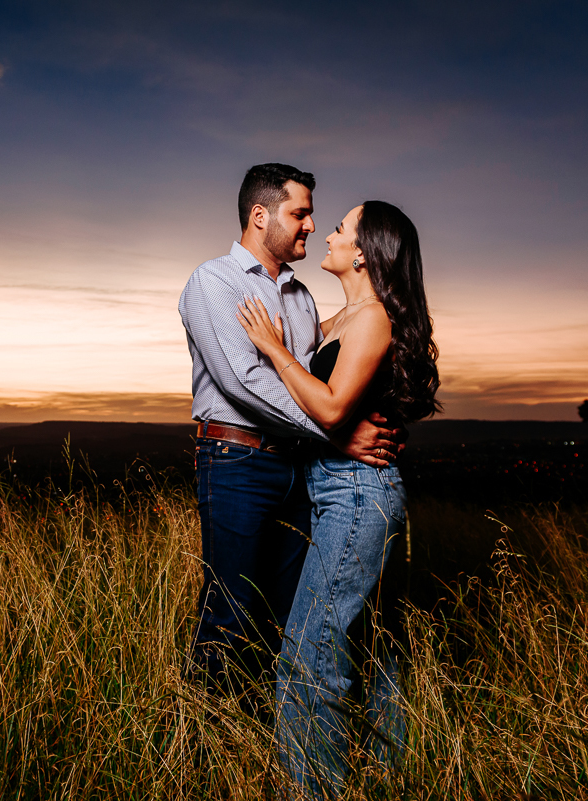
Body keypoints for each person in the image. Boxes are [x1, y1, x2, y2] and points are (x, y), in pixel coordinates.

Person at [178, 164, 405, 707]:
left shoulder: (301, 297)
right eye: (299, 214)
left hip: (295, 469)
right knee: (231, 607)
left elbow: (310, 378)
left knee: (283, 612)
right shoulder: (214, 282)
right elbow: (244, 381)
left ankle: (258, 738)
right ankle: (201, 741)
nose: (310, 226)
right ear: (261, 216)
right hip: (236, 460)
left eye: (312, 216)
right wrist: (337, 434)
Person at [237, 200, 440, 797]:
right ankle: (394, 778)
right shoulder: (337, 323)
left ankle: (311, 790)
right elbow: (327, 411)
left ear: (364, 252)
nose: (328, 234)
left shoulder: (374, 318)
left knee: (308, 655)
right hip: (338, 491)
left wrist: (274, 348)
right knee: (375, 654)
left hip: (358, 497)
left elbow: (325, 405)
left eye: (342, 228)